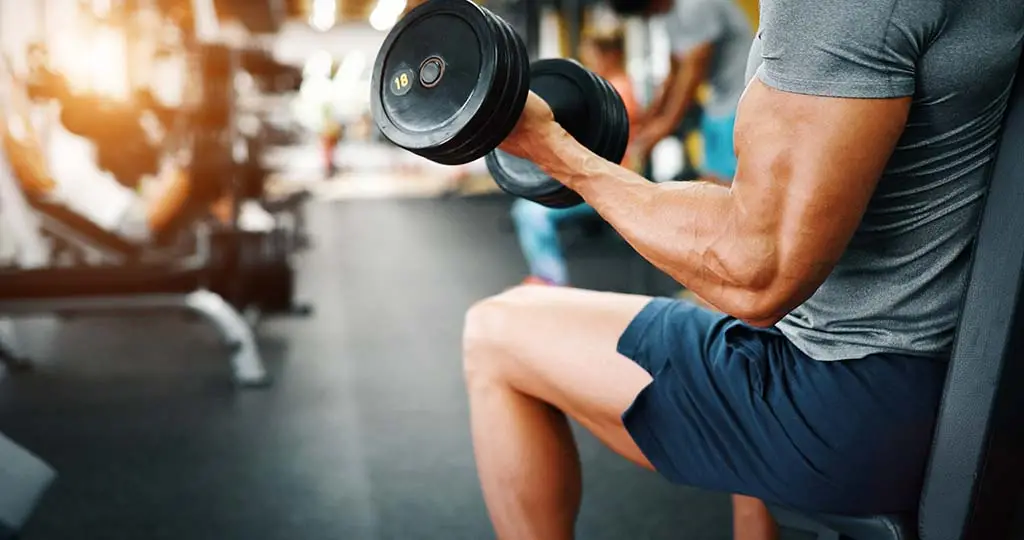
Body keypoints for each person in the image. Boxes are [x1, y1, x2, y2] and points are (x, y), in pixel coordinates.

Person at [460, 1, 1024, 540]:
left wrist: (555, 151)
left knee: (494, 332)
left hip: (851, 404)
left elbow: (757, 272)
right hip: (956, 382)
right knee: (716, 308)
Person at [510, 30, 641, 286]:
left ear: (611, 54)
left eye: (594, 55)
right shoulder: (607, 87)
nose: (591, 60)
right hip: (595, 174)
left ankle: (552, 281)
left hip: (608, 183)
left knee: (530, 213)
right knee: (530, 201)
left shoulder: (617, 90)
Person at [617, 0, 751, 182]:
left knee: (734, 184)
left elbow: (694, 68)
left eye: (649, 11)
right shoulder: (669, 15)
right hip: (717, 103)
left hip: (741, 100)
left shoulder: (695, 5)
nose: (652, 15)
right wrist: (649, 118)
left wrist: (665, 125)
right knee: (711, 180)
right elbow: (674, 72)